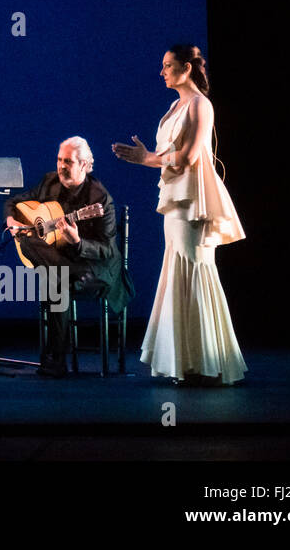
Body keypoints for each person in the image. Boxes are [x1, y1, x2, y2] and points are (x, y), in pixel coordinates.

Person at [112, 45, 246, 386]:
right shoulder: (175, 106)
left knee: (196, 268)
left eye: (168, 65)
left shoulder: (201, 104)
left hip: (193, 200)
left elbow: (186, 158)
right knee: (178, 270)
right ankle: (187, 363)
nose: (162, 72)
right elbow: (169, 156)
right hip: (176, 200)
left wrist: (148, 159)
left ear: (186, 68)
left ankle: (209, 364)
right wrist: (148, 157)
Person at [5, 137, 132, 377]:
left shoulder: (100, 199)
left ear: (84, 164)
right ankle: (56, 358)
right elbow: (14, 202)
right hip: (63, 263)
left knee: (55, 282)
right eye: (59, 160)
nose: (61, 167)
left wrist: (78, 242)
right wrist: (11, 221)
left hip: (94, 268)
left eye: (68, 162)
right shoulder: (49, 182)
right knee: (27, 239)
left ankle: (56, 359)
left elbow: (106, 250)